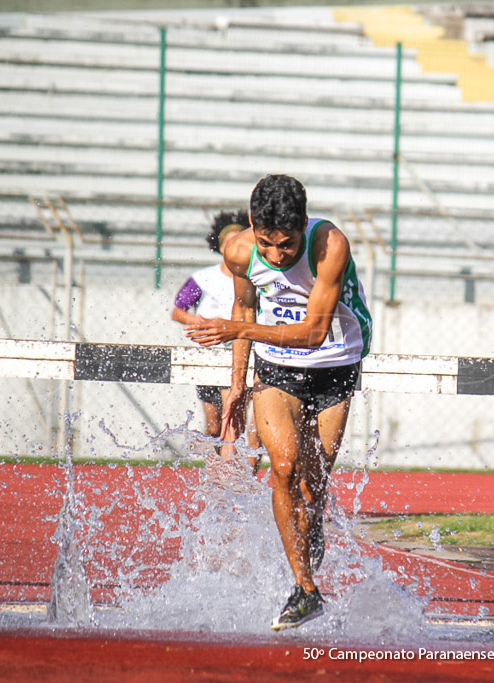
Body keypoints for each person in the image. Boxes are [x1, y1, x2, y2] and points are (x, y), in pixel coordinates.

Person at [184, 174, 372, 630]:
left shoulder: (330, 245)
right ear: (252, 225)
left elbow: (312, 334)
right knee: (284, 466)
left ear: (303, 226)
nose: (275, 256)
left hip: (333, 363)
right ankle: (305, 589)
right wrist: (236, 387)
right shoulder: (238, 252)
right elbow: (244, 309)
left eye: (286, 246)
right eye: (266, 244)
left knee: (312, 487)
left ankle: (313, 528)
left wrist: (240, 330)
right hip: (275, 366)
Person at [171, 210, 260, 451]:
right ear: (220, 247)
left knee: (236, 423)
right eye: (228, 243)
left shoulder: (256, 276)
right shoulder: (204, 278)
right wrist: (197, 322)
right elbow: (177, 310)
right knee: (213, 426)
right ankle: (215, 469)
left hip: (239, 354)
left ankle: (234, 474)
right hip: (209, 355)